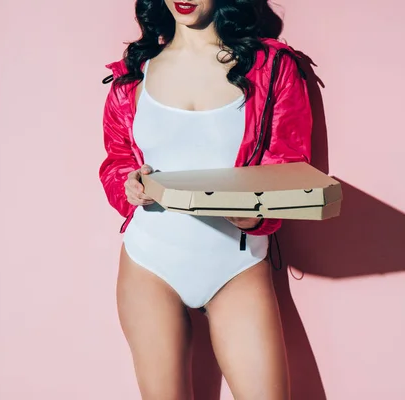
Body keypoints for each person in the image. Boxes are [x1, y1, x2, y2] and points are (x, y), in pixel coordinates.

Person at [99, 0, 312, 398]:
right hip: (150, 263)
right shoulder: (133, 73)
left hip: (238, 263)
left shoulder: (271, 67)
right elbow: (117, 159)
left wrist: (255, 216)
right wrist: (127, 186)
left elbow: (290, 165)